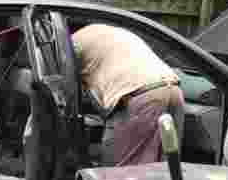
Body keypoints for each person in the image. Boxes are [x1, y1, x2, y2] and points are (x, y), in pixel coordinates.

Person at [72, 23, 185, 166]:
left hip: (141, 96)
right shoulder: (109, 33)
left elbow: (65, 86)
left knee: (123, 177)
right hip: (173, 90)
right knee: (166, 172)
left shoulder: (71, 44)